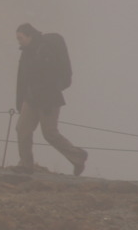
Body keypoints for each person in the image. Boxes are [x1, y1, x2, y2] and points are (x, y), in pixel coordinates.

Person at [11, 22, 86, 175]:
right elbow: (22, 79)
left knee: (50, 133)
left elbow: (51, 77)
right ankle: (25, 165)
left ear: (30, 36)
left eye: (20, 37)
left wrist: (47, 98)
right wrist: (20, 101)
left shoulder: (45, 49)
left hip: (48, 100)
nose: (18, 41)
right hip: (31, 99)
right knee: (22, 129)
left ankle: (77, 156)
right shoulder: (26, 52)